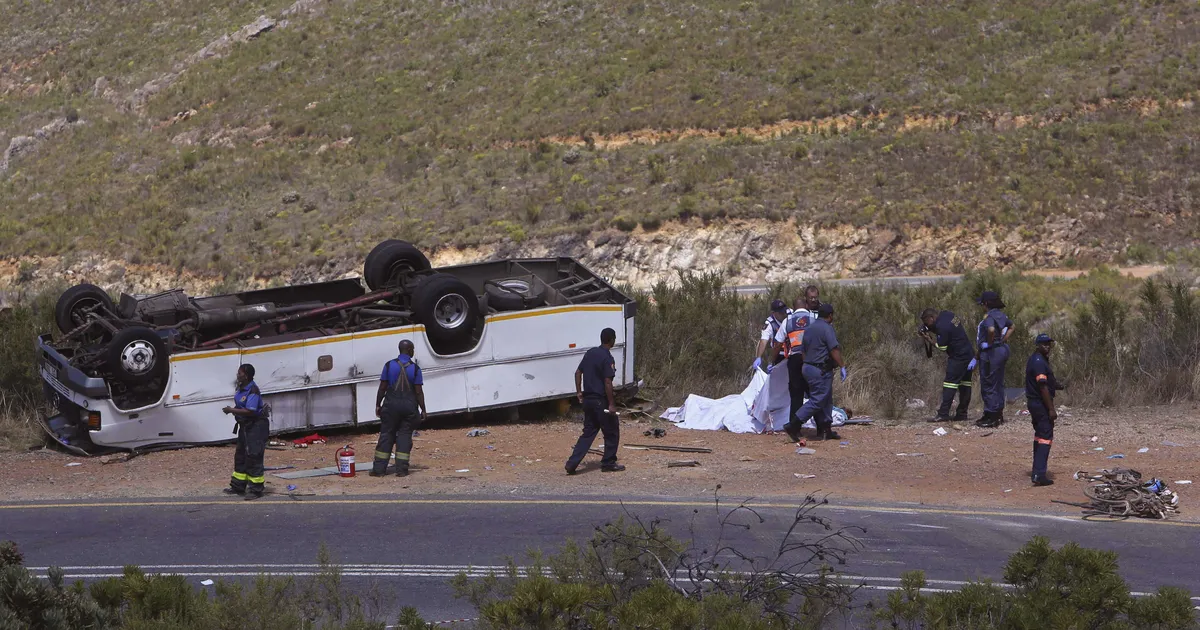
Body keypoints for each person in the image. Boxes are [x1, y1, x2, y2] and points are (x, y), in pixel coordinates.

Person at [784, 302, 847, 443]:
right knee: (818, 399)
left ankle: (826, 429)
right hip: (820, 369)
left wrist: (808, 365)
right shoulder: (827, 328)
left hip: (808, 367)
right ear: (830, 316)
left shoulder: (809, 328)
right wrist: (842, 365)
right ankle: (793, 424)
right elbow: (834, 349)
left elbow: (803, 351)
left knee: (826, 399)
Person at [566, 328, 624, 474]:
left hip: (588, 400)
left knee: (588, 433)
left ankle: (572, 463)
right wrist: (611, 404)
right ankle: (608, 463)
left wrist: (579, 392)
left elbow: (578, 373)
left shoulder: (590, 353)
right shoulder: (607, 357)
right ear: (612, 340)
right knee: (611, 431)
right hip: (600, 401)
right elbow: (607, 382)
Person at [373, 340, 427, 477]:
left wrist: (378, 404)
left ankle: (379, 470)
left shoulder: (389, 365)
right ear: (409, 350)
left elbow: (382, 387)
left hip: (390, 405)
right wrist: (423, 409)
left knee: (386, 435)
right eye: (413, 349)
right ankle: (401, 470)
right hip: (409, 407)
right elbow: (419, 392)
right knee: (404, 436)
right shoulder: (415, 369)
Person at [773, 285, 821, 436]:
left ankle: (794, 429)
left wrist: (772, 361)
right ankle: (822, 428)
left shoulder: (788, 321)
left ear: (793, 309)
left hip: (794, 360)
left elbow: (778, 343)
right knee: (815, 394)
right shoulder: (814, 318)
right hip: (811, 360)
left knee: (796, 395)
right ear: (806, 306)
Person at [919, 308, 976, 422]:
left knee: (949, 384)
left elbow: (942, 347)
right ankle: (962, 413)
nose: (926, 325)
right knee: (965, 385)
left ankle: (943, 413)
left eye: (926, 322)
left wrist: (929, 339)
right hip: (969, 354)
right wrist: (930, 328)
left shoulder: (942, 327)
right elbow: (950, 329)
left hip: (958, 357)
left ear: (931, 318)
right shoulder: (948, 315)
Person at [223, 364, 269, 500]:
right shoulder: (241, 388)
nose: (238, 375)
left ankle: (256, 489)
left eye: (240, 373)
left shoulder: (253, 390)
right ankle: (238, 486)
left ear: (246, 375)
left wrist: (231, 410)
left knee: (254, 455)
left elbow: (251, 410)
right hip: (244, 426)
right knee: (241, 455)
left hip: (256, 426)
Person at [1026, 333, 1065, 486]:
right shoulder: (1038, 362)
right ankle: (1039, 474)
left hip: (1035, 403)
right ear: (1037, 345)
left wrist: (1055, 385)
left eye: (1049, 344)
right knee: (1046, 437)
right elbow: (1042, 387)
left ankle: (1037, 469)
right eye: (1044, 344)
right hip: (1040, 404)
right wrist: (1051, 409)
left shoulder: (1038, 360)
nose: (1047, 347)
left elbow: (1045, 382)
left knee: (1040, 436)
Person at [975, 290, 1013, 428]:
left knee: (988, 383)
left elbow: (990, 330)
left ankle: (991, 415)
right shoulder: (1001, 315)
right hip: (1001, 350)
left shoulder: (989, 317)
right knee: (997, 383)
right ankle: (997, 414)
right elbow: (1012, 326)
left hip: (991, 353)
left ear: (986, 304)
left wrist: (991, 343)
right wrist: (1002, 340)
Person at [752, 299, 791, 372]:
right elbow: (763, 341)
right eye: (780, 313)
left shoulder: (791, 314)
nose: (784, 314)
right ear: (774, 313)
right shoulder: (770, 324)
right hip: (779, 354)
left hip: (791, 353)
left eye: (784, 311)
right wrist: (759, 357)